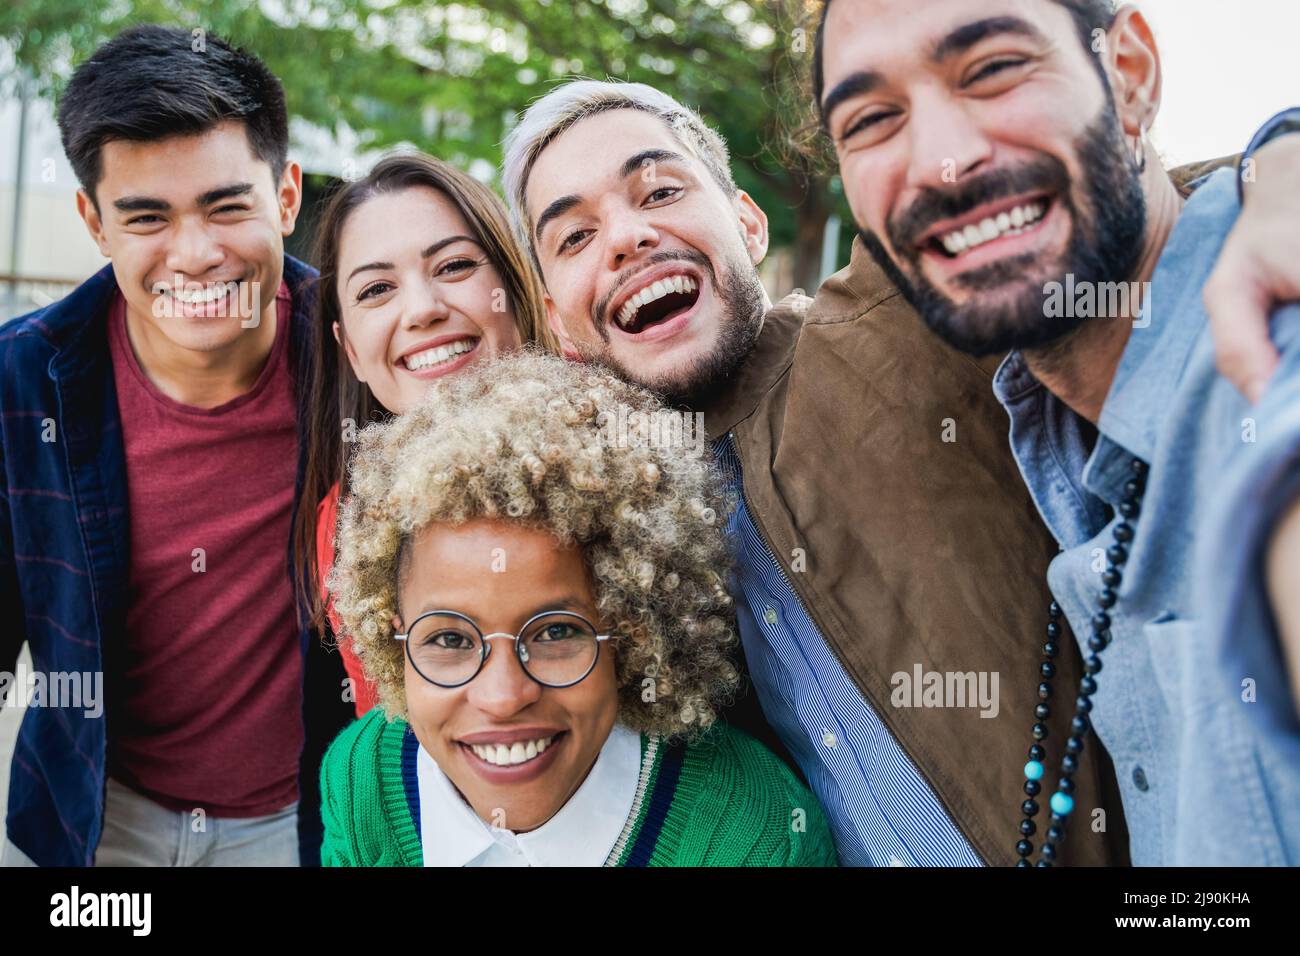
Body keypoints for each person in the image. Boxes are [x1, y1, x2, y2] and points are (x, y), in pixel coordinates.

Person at [500, 66, 1300, 864]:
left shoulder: (901, 311)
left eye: (661, 192)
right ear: (560, 323)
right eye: (573, 237)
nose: (626, 238)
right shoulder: (599, 525)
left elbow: (1152, 213)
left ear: (748, 225)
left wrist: (1280, 166)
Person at [813, 0, 1300, 864]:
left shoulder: (1269, 364)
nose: (943, 160)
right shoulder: (1048, 435)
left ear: (1132, 75)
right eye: (873, 119)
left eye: (994, 68)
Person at [0, 25, 354, 866]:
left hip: (302, 825)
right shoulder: (22, 383)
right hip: (90, 815)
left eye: (227, 206)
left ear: (288, 196)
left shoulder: (363, 364)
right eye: (147, 217)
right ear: (94, 221)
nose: (195, 256)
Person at [319, 350, 837, 867]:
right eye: (450, 640)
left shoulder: (760, 837)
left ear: (632, 634)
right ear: (396, 639)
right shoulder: (361, 780)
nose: (502, 698)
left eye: (555, 633)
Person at [296, 152, 550, 717]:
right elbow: (389, 729)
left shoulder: (638, 442)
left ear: (516, 284)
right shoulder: (345, 525)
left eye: (455, 266)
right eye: (376, 290)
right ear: (351, 350)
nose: (422, 310)